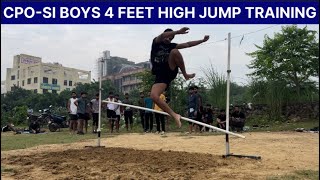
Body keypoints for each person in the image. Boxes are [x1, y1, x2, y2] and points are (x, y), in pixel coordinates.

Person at [150, 27, 210, 129]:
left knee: (174, 51)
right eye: (168, 36)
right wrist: (177, 32)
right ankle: (174, 115)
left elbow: (188, 44)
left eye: (171, 38)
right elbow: (163, 35)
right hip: (161, 75)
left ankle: (185, 75)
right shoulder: (156, 42)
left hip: (170, 69)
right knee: (154, 96)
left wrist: (202, 41)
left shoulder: (172, 46)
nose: (169, 39)